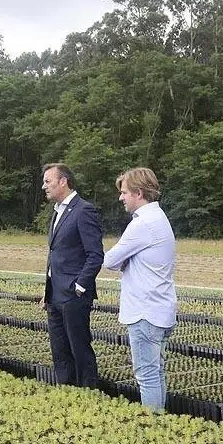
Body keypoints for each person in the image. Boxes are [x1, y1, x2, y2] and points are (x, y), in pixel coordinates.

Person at [103, 168, 177, 412]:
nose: (121, 197)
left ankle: (152, 427)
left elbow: (110, 260)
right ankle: (160, 420)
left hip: (145, 313)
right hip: (160, 309)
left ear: (139, 192)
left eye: (124, 192)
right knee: (156, 372)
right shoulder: (159, 218)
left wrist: (125, 261)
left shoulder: (143, 224)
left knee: (146, 375)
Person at [41, 163, 104, 388]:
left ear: (63, 181)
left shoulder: (83, 210)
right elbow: (56, 254)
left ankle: (88, 391)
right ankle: (66, 392)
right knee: (59, 350)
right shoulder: (58, 211)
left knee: (79, 348)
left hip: (73, 295)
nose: (44, 186)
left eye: (48, 181)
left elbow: (95, 255)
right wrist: (48, 291)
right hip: (55, 294)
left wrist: (79, 286)